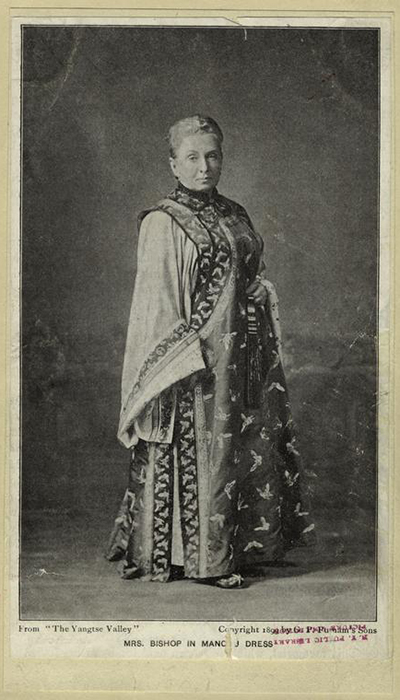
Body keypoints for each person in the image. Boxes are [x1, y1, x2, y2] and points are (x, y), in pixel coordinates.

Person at [106, 115, 314, 588]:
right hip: (196, 364)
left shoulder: (234, 212)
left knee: (243, 449)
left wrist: (260, 294)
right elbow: (156, 304)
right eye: (193, 157)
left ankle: (239, 549)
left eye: (213, 156)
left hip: (243, 356)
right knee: (203, 450)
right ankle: (203, 560)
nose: (205, 167)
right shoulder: (164, 221)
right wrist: (180, 363)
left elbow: (249, 275)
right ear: (174, 163)